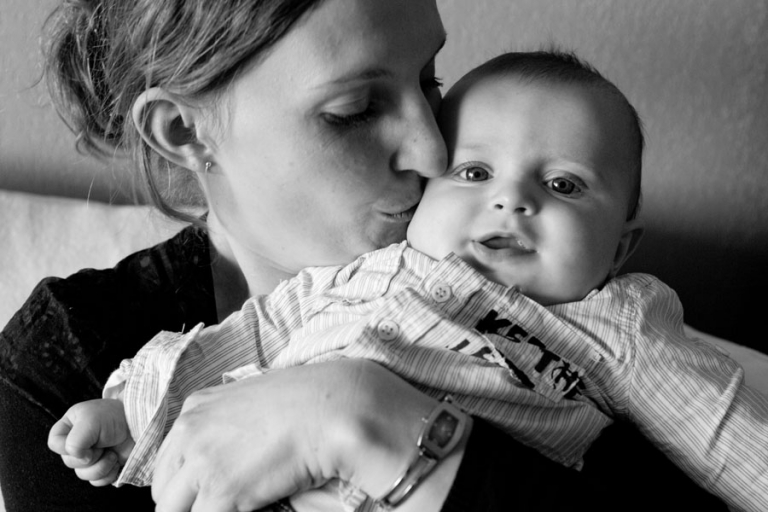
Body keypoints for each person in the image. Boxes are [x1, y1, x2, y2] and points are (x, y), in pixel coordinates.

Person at [0, 0, 730, 511]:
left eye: (428, 82)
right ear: (183, 132)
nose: (434, 149)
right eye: (354, 111)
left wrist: (368, 422)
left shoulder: (565, 302)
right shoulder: (71, 358)